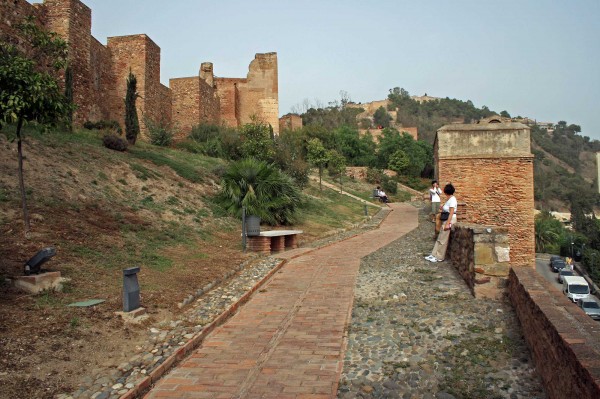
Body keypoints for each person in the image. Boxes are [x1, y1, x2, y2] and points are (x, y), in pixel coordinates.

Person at [425, 183, 457, 263]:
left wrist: (447, 224)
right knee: (440, 238)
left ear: (446, 192)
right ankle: (434, 254)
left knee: (443, 239)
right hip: (445, 219)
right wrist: (443, 207)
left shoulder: (452, 200)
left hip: (449, 220)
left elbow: (451, 212)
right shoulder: (449, 199)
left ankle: (439, 257)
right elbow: (447, 209)